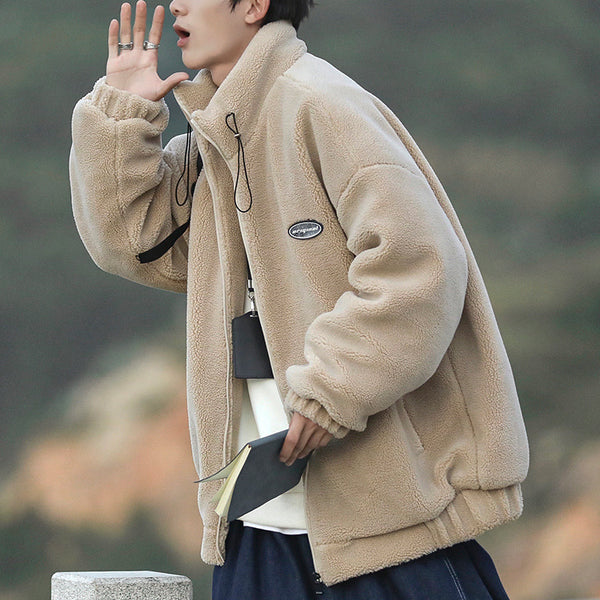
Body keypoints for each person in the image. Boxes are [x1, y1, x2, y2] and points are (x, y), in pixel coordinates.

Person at [69, 0, 529, 598]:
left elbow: (421, 267)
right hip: (256, 526)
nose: (175, 3)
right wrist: (123, 112)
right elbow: (133, 243)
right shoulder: (214, 135)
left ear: (253, 5)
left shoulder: (322, 105)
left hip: (388, 531)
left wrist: (329, 391)